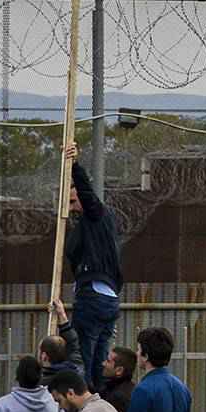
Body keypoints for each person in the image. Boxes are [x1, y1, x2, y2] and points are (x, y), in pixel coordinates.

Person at [57, 143, 123, 392]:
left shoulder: (95, 215)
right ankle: (98, 395)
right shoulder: (95, 227)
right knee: (98, 359)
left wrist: (74, 165)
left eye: (74, 201)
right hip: (109, 298)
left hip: (94, 296)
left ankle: (86, 396)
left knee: (82, 356)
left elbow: (86, 191)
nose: (72, 207)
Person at [99, 346, 137, 412]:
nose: (103, 363)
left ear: (119, 370)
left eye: (108, 361)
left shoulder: (117, 397)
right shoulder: (131, 389)